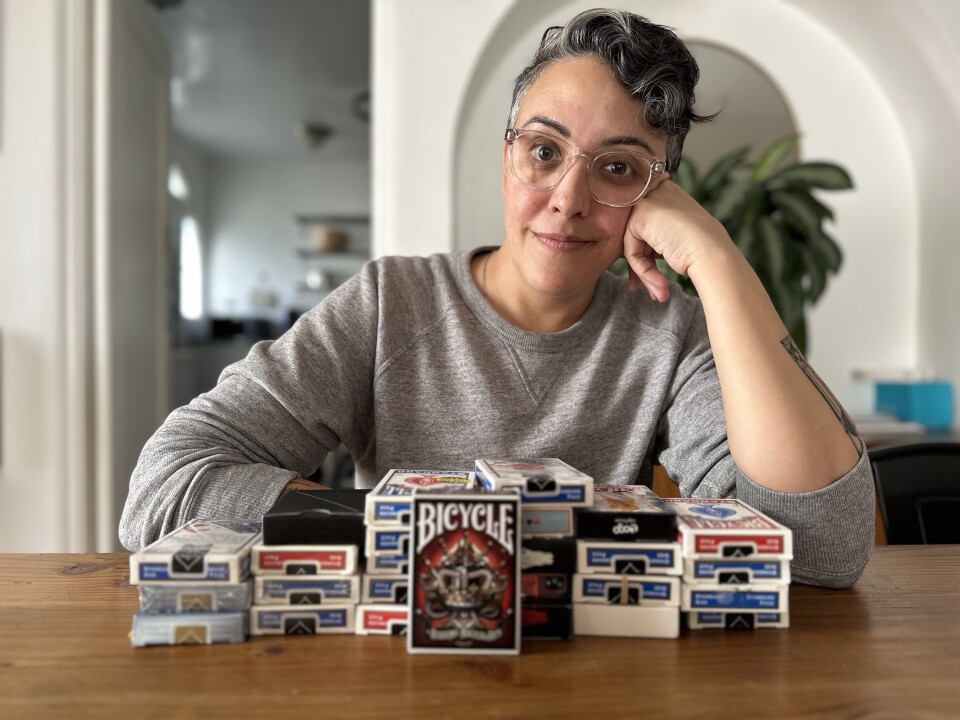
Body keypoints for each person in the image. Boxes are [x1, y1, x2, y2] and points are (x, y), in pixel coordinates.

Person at [120, 8, 874, 588]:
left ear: (658, 196)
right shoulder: (391, 302)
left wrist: (716, 256)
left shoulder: (670, 335)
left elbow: (826, 550)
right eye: (543, 152)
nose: (567, 199)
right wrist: (413, 528)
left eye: (617, 169)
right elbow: (164, 483)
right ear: (506, 157)